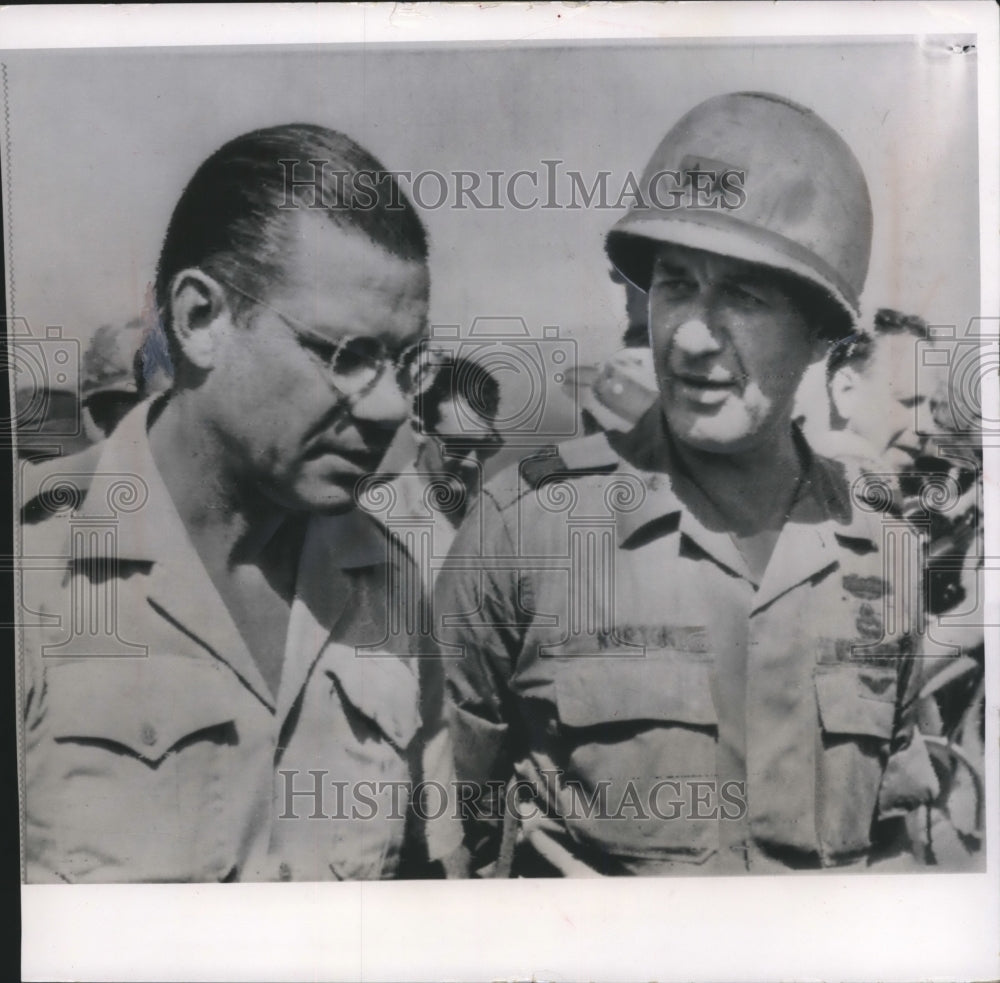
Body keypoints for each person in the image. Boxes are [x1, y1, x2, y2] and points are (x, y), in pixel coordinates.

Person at [436, 92, 944, 877]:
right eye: (674, 284)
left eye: (743, 295)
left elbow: (894, 847)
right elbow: (450, 834)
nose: (694, 338)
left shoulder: (883, 554)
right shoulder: (524, 527)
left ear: (820, 331)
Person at [22, 124, 460, 882]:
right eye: (349, 355)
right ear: (201, 321)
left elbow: (428, 887)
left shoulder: (391, 588)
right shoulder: (33, 571)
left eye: (407, 363)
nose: (391, 406)